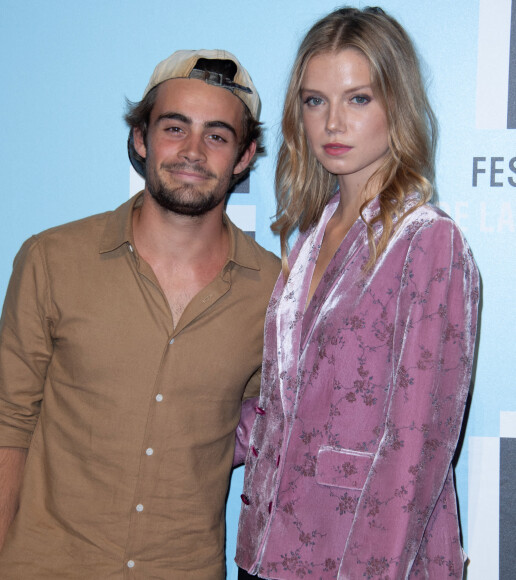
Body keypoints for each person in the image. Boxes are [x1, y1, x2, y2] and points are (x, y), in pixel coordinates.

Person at [0, 49, 280, 580]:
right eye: (174, 127)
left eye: (216, 135)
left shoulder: (276, 292)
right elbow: (7, 420)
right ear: (140, 139)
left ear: (245, 155)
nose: (191, 151)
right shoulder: (53, 259)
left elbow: (271, 431)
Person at [236, 7, 479, 579]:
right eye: (314, 100)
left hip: (360, 560)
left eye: (358, 98)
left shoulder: (428, 241)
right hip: (266, 552)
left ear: (397, 103)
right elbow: (286, 403)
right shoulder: (307, 239)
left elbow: (416, 445)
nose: (332, 124)